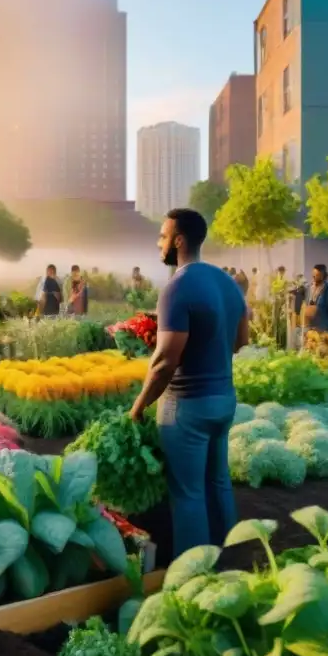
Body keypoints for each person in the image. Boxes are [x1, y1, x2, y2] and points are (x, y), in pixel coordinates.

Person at [129, 208, 247, 557]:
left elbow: (166, 362)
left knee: (188, 493)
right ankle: (231, 556)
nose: (159, 243)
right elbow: (240, 339)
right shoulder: (227, 282)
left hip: (187, 407)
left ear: (178, 240)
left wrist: (138, 407)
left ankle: (193, 572)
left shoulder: (176, 288)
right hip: (223, 399)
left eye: (163, 236)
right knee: (219, 484)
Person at [304, 264, 328, 335]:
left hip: (326, 328)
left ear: (322, 276)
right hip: (312, 328)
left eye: (316, 275)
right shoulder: (310, 288)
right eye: (313, 274)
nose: (313, 277)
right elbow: (307, 304)